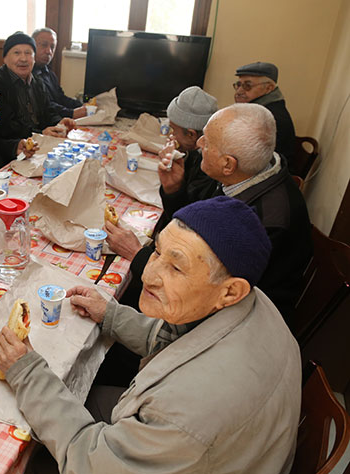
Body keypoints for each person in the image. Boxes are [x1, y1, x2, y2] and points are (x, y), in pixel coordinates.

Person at [0, 196, 301, 473]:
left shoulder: (185, 411)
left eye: (176, 268)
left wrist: (27, 372)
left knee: (21, 447)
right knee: (78, 388)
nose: (148, 275)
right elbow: (182, 340)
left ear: (230, 291)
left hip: (184, 445)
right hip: (217, 447)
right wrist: (112, 316)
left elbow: (87, 463)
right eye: (156, 251)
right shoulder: (252, 299)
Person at [109, 103, 312, 321]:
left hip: (233, 321)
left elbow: (201, 291)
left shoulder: (264, 221)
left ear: (228, 164)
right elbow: (195, 231)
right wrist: (174, 189)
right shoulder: (245, 173)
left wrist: (137, 254)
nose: (198, 144)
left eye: (207, 142)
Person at [98, 86, 218, 387]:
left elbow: (188, 260)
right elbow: (186, 215)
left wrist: (138, 254)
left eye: (173, 131)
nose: (169, 137)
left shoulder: (213, 177)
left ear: (194, 136)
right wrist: (174, 188)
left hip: (186, 329)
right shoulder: (195, 158)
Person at [0, 31, 76, 145]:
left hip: (38, 140)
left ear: (34, 58)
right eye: (17, 53)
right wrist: (39, 133)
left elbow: (47, 110)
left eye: (28, 53)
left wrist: (59, 122)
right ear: (5, 58)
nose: (23, 59)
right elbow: (3, 127)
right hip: (10, 147)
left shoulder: (37, 81)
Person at [233, 61, 296, 160]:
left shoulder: (266, 116)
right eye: (238, 85)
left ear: (269, 88)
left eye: (247, 86)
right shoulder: (258, 108)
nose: (239, 91)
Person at [31, 28, 86, 119]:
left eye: (52, 47)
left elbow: (61, 98)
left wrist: (82, 106)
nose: (49, 51)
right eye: (44, 45)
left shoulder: (49, 72)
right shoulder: (27, 75)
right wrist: (71, 113)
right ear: (32, 46)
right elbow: (45, 106)